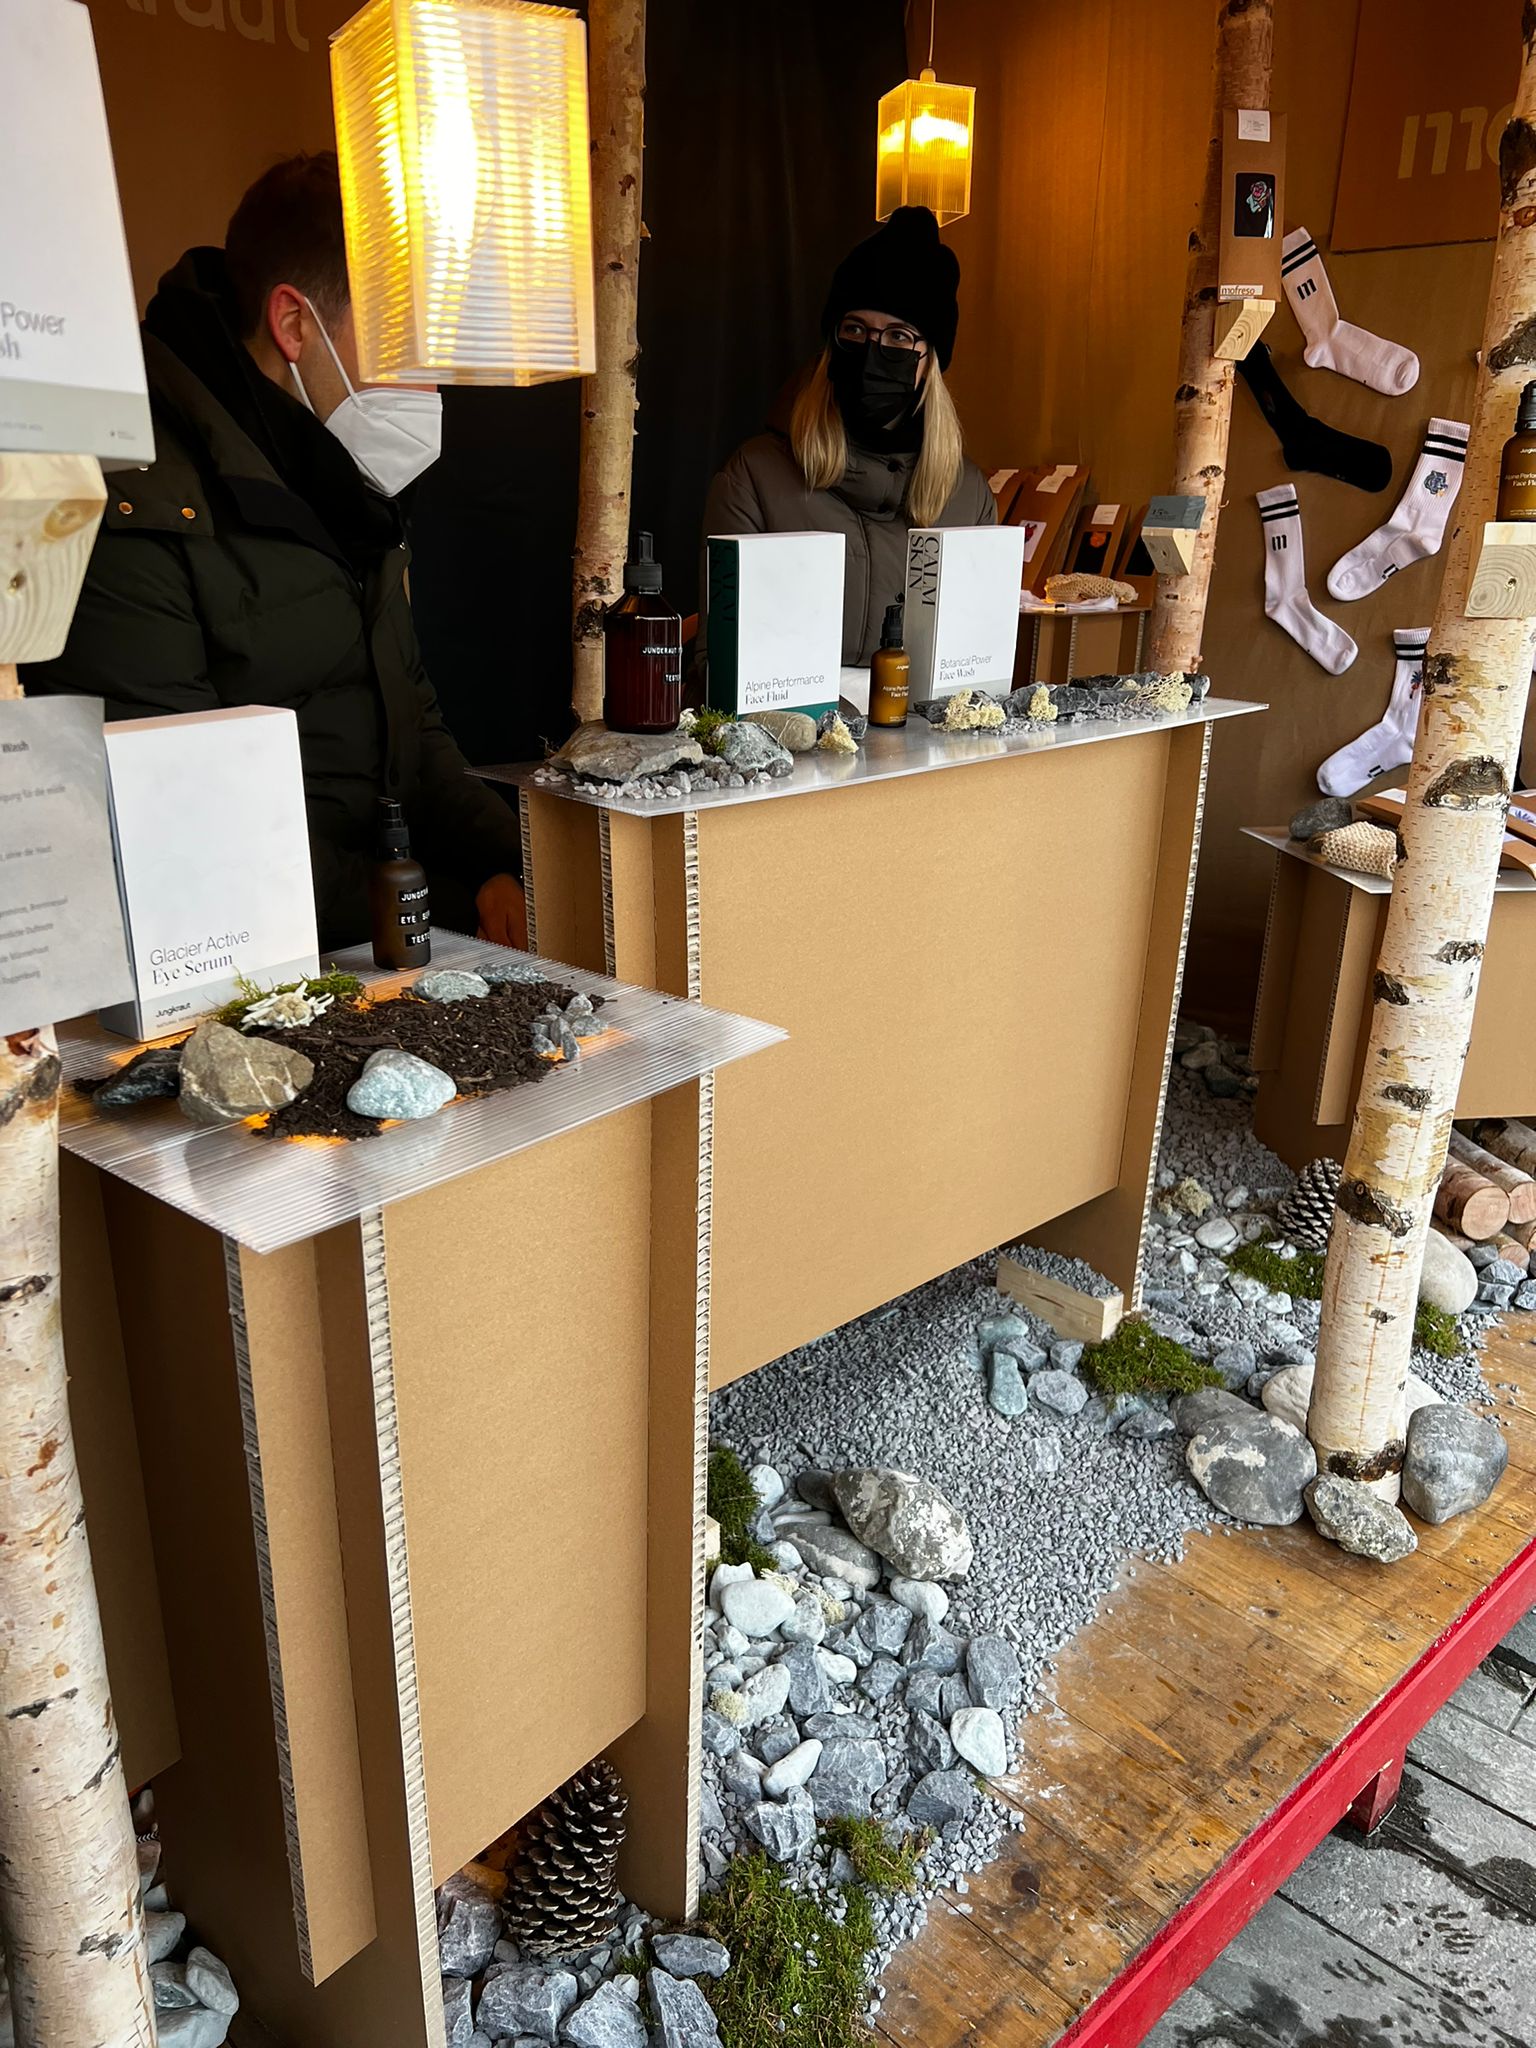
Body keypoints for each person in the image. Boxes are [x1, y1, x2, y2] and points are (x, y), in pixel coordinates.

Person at [23, 153, 527, 954]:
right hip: (250, 965)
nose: (431, 388)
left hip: (389, 925)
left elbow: (415, 727)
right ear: (295, 325)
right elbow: (179, 827)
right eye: (404, 344)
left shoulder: (345, 475)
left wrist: (511, 864)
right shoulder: (137, 498)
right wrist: (445, 903)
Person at [703, 205, 995, 667]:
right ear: (831, 344)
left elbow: (974, 662)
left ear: (929, 363)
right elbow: (720, 661)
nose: (872, 352)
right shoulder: (754, 477)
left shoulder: (969, 496)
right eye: (855, 329)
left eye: (899, 337)